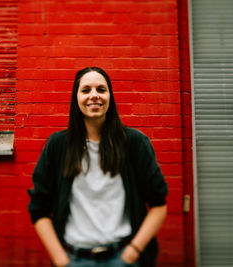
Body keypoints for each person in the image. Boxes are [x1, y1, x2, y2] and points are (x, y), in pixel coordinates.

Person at [27, 67, 168, 267]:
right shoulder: (58, 146)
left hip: (123, 258)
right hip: (74, 260)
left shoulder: (135, 143)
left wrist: (133, 252)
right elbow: (38, 208)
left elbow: (159, 204)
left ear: (110, 96)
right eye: (86, 90)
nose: (94, 95)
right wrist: (60, 259)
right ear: (76, 97)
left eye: (101, 89)